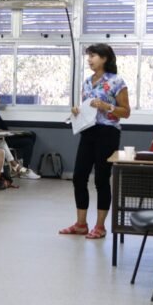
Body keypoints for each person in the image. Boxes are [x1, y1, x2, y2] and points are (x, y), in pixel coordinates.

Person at [61, 44, 130, 240]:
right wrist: (77, 110)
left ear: (105, 58)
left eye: (94, 56)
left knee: (101, 179)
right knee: (79, 177)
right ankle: (81, 224)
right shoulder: (87, 82)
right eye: (88, 56)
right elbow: (87, 108)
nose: (90, 59)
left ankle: (100, 226)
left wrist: (107, 106)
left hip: (108, 132)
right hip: (88, 131)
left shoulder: (117, 81)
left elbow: (126, 112)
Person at [0, 91, 40, 179]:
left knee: (32, 135)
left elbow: (5, 128)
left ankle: (23, 164)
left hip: (5, 136)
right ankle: (25, 168)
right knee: (28, 142)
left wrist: (2, 131)